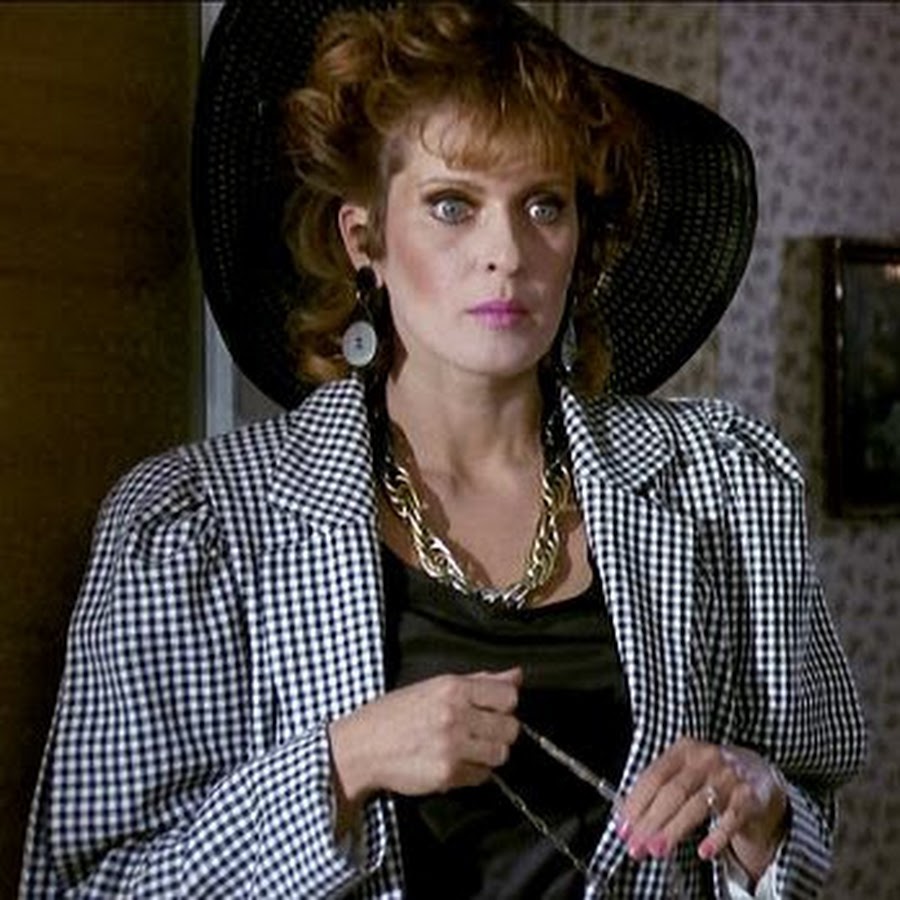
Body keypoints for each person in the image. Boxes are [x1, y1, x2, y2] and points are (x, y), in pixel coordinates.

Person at [20, 1, 866, 898]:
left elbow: (804, 812)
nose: (506, 253)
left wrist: (763, 809)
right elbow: (86, 886)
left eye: (544, 205)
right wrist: (343, 764)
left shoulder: (723, 483)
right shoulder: (195, 523)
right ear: (366, 241)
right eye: (452, 205)